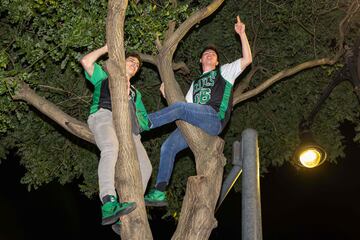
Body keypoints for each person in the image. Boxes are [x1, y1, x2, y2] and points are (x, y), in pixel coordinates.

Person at [144, 15, 253, 206]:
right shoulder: (195, 83)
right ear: (200, 60)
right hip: (196, 122)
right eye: (206, 54)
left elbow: (247, 59)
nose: (210, 55)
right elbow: (184, 108)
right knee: (167, 147)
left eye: (213, 54)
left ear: (217, 62)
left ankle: (146, 121)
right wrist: (165, 95)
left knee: (179, 108)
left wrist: (242, 34)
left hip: (213, 118)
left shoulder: (225, 72)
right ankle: (159, 191)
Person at [80, 44, 153, 227]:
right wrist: (106, 48)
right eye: (131, 61)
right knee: (110, 149)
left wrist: (133, 107)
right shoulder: (105, 76)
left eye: (137, 65)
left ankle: (125, 218)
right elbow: (86, 61)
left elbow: (144, 121)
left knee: (147, 168)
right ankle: (109, 202)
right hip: (104, 115)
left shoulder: (137, 93)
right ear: (122, 61)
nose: (134, 65)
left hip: (129, 132)